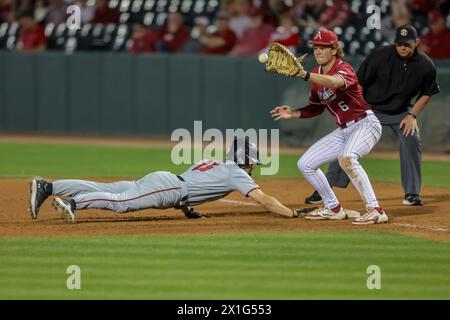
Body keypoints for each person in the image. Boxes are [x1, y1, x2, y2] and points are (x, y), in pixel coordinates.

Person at [304, 25, 440, 206]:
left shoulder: (426, 65)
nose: (403, 47)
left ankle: (412, 193)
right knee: (347, 140)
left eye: (407, 44)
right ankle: (325, 188)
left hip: (400, 112)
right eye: (399, 43)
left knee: (412, 138)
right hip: (370, 108)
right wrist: (354, 112)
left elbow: (427, 92)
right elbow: (358, 84)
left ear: (416, 43)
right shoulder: (380, 56)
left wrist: (412, 116)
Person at [29, 138, 303, 223]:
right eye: (253, 162)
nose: (254, 167)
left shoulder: (215, 162)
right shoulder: (236, 172)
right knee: (121, 203)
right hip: (169, 188)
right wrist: (290, 213)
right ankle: (72, 203)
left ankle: (49, 186)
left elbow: (190, 185)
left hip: (167, 181)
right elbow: (264, 199)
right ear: (245, 159)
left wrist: (187, 211)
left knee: (108, 188)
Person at [271, 29, 388, 225]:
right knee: (305, 164)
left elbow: (334, 82)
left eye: (323, 47)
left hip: (365, 124)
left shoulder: (344, 68)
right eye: (316, 47)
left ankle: (375, 209)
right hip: (344, 130)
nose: (318, 51)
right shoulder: (316, 74)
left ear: (334, 49)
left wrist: (302, 74)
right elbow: (316, 108)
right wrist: (294, 112)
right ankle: (333, 208)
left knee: (347, 157)